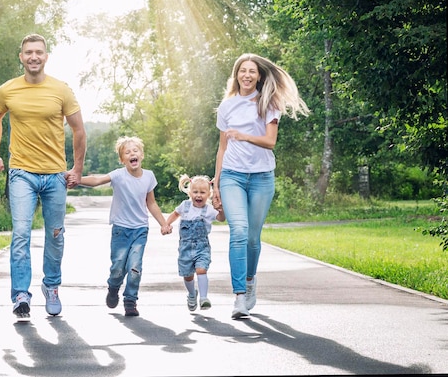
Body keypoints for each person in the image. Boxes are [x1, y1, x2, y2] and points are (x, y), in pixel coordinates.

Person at [0, 33, 87, 319]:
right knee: (21, 234)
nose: (33, 57)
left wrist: (77, 169)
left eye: (38, 52)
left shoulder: (61, 90)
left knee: (55, 235)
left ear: (46, 56)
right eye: (28, 52)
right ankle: (20, 294)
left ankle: (51, 286)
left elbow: (79, 130)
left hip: (55, 175)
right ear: (21, 57)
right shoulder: (7, 90)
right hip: (21, 173)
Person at [212, 53, 309, 319]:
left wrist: (242, 135)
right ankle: (239, 296)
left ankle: (251, 280)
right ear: (236, 75)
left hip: (261, 177)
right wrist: (216, 184)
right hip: (232, 175)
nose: (246, 75)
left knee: (253, 239)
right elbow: (222, 149)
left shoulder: (269, 103)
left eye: (252, 71)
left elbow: (270, 142)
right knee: (239, 231)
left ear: (259, 75)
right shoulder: (227, 106)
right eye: (242, 71)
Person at [80, 136, 168, 317]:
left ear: (142, 155)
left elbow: (151, 203)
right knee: (118, 266)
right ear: (122, 160)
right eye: (127, 152)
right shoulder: (119, 175)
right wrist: (76, 179)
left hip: (140, 230)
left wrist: (163, 223)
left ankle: (130, 300)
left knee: (135, 266)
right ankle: (113, 287)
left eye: (135, 150)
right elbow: (97, 180)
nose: (132, 154)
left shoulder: (149, 176)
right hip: (121, 229)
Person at [164, 174, 225, 311]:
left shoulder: (209, 209)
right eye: (195, 192)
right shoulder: (185, 206)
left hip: (202, 247)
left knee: (201, 270)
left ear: (209, 194)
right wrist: (166, 224)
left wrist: (221, 209)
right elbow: (174, 214)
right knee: (188, 275)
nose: (198, 195)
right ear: (190, 192)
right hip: (185, 248)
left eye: (202, 192)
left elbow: (221, 218)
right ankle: (192, 294)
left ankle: (203, 298)